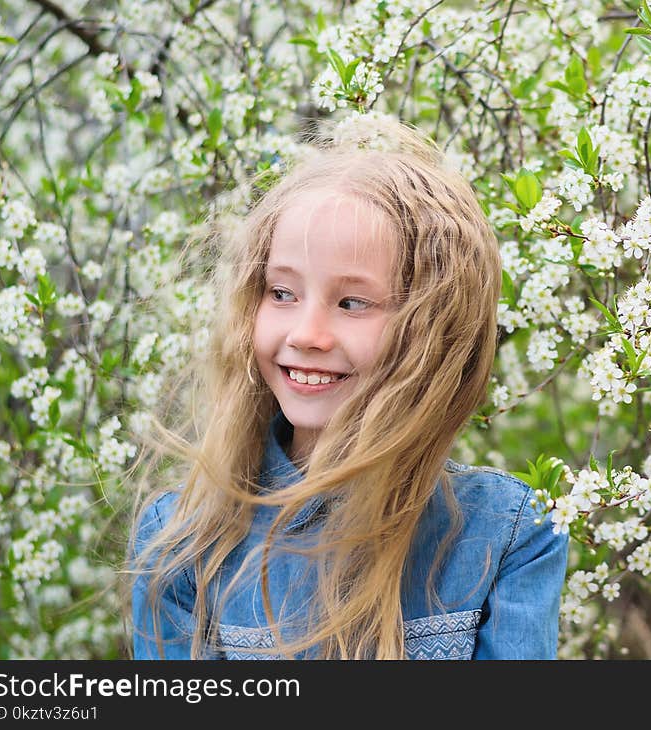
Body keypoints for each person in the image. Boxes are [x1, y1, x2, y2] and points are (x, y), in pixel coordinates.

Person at [129, 113, 569, 660]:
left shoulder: (510, 534)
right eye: (282, 293)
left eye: (353, 303)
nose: (306, 334)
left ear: (435, 330)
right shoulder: (185, 540)